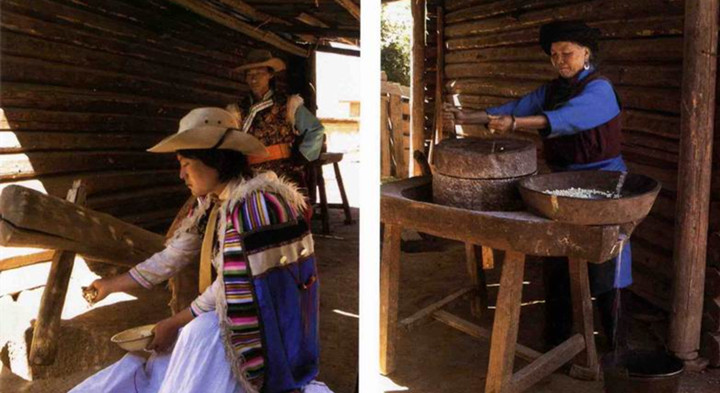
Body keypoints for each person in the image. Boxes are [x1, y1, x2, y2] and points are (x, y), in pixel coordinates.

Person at [72, 107, 331, 393]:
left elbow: (232, 287)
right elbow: (174, 256)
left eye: (186, 163)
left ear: (215, 160)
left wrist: (174, 322)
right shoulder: (215, 203)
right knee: (177, 351)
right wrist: (111, 284)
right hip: (234, 311)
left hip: (270, 329)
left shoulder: (255, 206)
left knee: (196, 334)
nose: (181, 174)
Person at [445, 20, 630, 349]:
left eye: (567, 53)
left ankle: (614, 344)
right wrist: (467, 118)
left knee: (606, 261)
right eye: (554, 54)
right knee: (556, 258)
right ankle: (557, 338)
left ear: (586, 53)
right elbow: (515, 107)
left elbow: (568, 118)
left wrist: (515, 124)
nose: (560, 60)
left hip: (604, 183)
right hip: (562, 182)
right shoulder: (551, 90)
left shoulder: (599, 89)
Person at [226, 49, 325, 193]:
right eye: (249, 75)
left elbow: (316, 130)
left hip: (283, 174)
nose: (254, 79)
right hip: (250, 177)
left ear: (270, 75)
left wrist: (302, 156)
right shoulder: (237, 110)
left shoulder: (289, 104)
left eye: (259, 73)